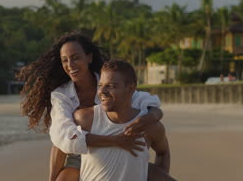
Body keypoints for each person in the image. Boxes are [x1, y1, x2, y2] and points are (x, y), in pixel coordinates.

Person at [18, 31, 164, 181]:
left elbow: (146, 101)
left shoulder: (107, 81)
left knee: (156, 175)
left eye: (75, 58)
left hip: (120, 146)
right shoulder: (61, 95)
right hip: (78, 150)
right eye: (65, 60)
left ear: (89, 57)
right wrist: (116, 141)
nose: (70, 65)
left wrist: (153, 115)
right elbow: (63, 135)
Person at [74, 60, 175, 181]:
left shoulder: (149, 126)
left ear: (131, 88)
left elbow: (163, 152)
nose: (102, 91)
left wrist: (159, 175)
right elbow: (62, 143)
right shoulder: (84, 119)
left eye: (111, 86)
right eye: (100, 85)